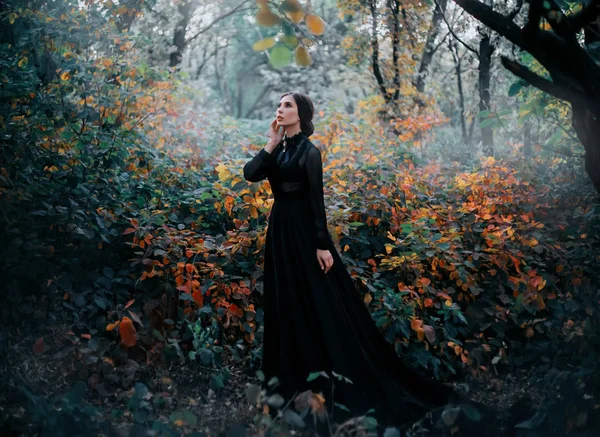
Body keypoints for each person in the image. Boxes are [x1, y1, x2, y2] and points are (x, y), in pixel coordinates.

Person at [243, 91, 459, 433]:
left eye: (287, 105)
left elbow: (316, 203)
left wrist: (322, 245)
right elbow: (251, 173)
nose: (280, 109)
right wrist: (271, 142)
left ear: (301, 114)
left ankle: (328, 382)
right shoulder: (279, 148)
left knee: (317, 302)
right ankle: (288, 386)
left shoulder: (309, 152)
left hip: (303, 235)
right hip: (280, 234)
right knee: (285, 302)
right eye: (279, 105)